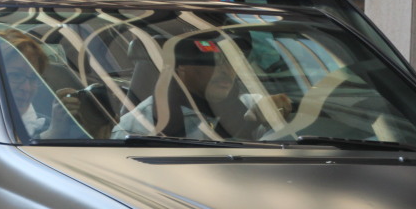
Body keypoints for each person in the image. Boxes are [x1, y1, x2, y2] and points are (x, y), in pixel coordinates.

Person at [112, 38, 291, 139]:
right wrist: (250, 122)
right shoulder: (137, 129)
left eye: (233, 62)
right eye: (213, 62)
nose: (226, 71)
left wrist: (277, 112)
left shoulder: (254, 105)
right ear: (181, 67)